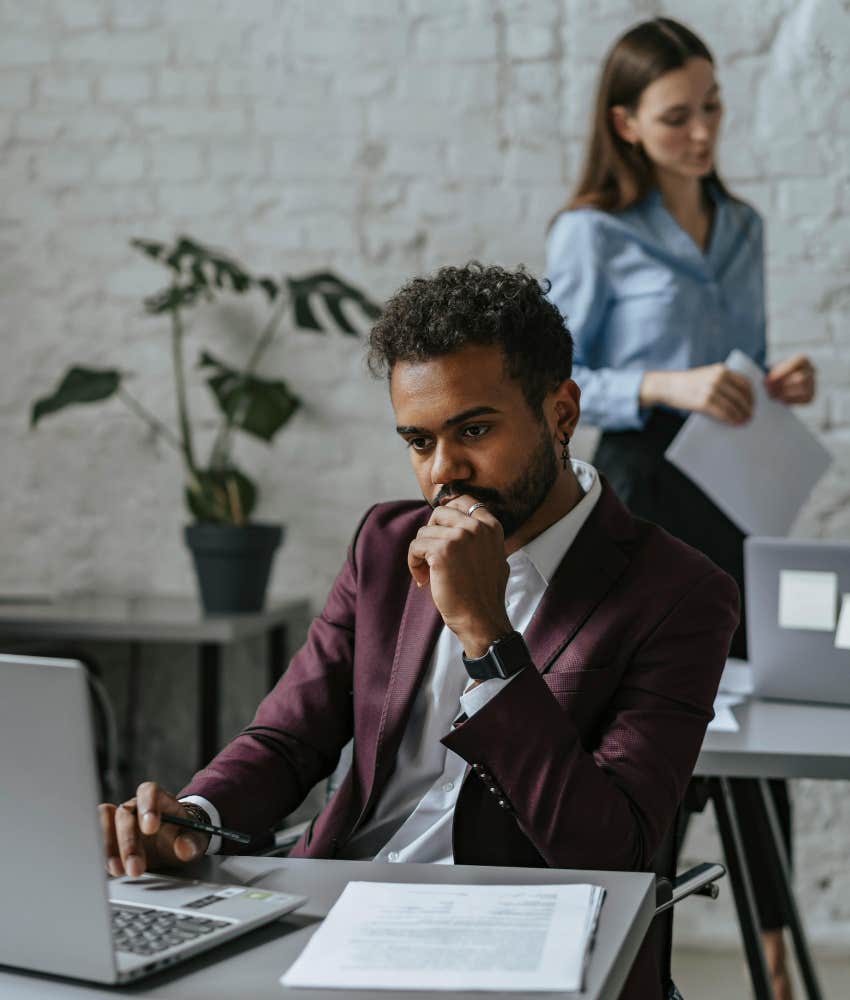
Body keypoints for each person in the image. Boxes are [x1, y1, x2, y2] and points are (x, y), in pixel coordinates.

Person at [100, 263, 738, 1000]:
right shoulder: (383, 542)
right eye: (418, 440)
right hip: (336, 915)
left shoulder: (680, 594)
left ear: (562, 412)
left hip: (521, 944)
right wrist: (193, 820)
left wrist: (487, 637)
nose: (444, 473)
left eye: (474, 430)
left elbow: (612, 852)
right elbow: (287, 739)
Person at [545, 18, 816, 1000]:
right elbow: (557, 379)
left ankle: (779, 965)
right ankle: (627, 959)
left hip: (734, 490)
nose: (701, 133)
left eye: (710, 109)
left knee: (760, 723)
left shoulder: (743, 227)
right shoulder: (589, 232)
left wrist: (769, 378)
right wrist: (667, 385)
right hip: (640, 497)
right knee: (648, 729)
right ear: (623, 123)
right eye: (675, 117)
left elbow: (734, 366)